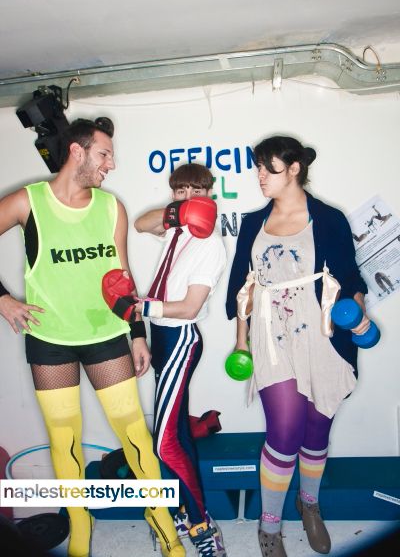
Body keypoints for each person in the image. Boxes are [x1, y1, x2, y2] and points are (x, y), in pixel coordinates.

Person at [0, 117, 184, 557]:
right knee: (64, 438)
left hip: (105, 334)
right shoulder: (28, 202)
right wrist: (2, 299)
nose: (111, 164)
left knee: (135, 435)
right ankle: (80, 527)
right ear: (76, 152)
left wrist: (137, 333)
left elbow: (122, 275)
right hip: (50, 339)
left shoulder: (110, 207)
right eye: (104, 154)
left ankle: (165, 530)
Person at [225, 136, 370, 557]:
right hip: (271, 336)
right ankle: (269, 526)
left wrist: (359, 315)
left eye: (267, 168)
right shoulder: (253, 223)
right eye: (257, 167)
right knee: (284, 432)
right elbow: (244, 287)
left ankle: (309, 504)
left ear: (293, 169)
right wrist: (241, 342)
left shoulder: (328, 219)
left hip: (321, 333)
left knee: (316, 429)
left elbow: (352, 279)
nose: (259, 176)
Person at [133, 163, 228, 557]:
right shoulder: (177, 229)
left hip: (181, 339)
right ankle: (181, 512)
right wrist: (179, 213)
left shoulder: (211, 244)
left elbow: (189, 307)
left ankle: (202, 525)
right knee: (179, 435)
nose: (187, 196)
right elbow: (140, 223)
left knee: (165, 443)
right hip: (162, 337)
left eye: (196, 190)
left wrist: (141, 307)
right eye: (180, 190)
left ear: (209, 194)